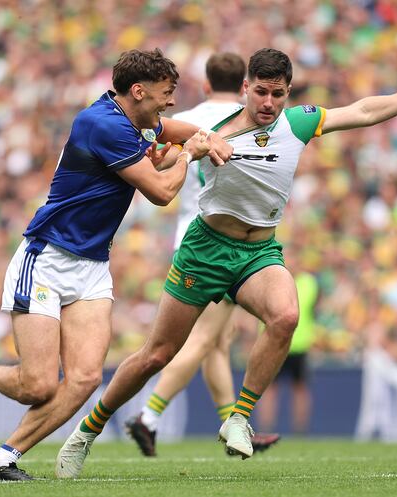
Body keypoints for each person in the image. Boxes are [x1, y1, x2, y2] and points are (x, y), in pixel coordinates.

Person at [56, 48, 397, 478]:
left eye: (278, 94)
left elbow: (361, 110)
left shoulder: (298, 122)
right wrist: (172, 156)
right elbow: (166, 154)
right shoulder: (211, 128)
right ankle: (86, 431)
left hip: (259, 251)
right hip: (206, 248)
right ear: (245, 89)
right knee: (157, 355)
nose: (269, 103)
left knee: (285, 316)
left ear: (288, 93)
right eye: (261, 92)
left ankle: (238, 418)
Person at [0, 48, 232, 481]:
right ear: (138, 91)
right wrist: (191, 153)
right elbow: (161, 192)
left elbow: (176, 127)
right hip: (46, 258)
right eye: (165, 93)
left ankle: (3, 459)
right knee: (37, 385)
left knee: (84, 378)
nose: (170, 102)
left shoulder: (136, 118)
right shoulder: (102, 125)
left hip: (92, 266)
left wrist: (211, 136)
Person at [124, 52, 280, 457]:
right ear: (244, 85)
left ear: (207, 84)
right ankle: (149, 415)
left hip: (188, 236)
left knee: (217, 342)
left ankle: (232, 421)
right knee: (202, 339)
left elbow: (156, 158)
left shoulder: (191, 117)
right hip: (221, 244)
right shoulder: (250, 118)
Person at [256, 252, 318, 434]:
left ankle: (300, 430)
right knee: (268, 388)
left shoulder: (309, 283)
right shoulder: (272, 280)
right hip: (273, 342)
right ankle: (266, 428)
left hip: (299, 344)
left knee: (299, 388)